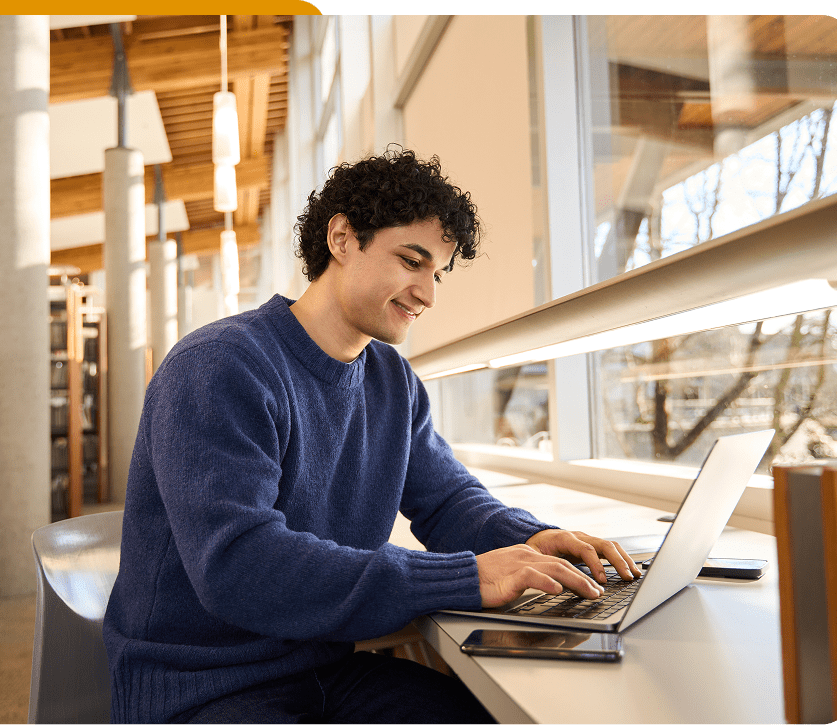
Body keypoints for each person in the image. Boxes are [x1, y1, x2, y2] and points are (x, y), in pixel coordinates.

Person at [102, 147, 641, 724]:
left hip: (323, 671)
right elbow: (239, 565)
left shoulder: (391, 381)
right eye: (412, 261)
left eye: (437, 273)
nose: (428, 294)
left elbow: (449, 501)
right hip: (204, 689)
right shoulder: (220, 367)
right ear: (342, 239)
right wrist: (466, 577)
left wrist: (536, 542)